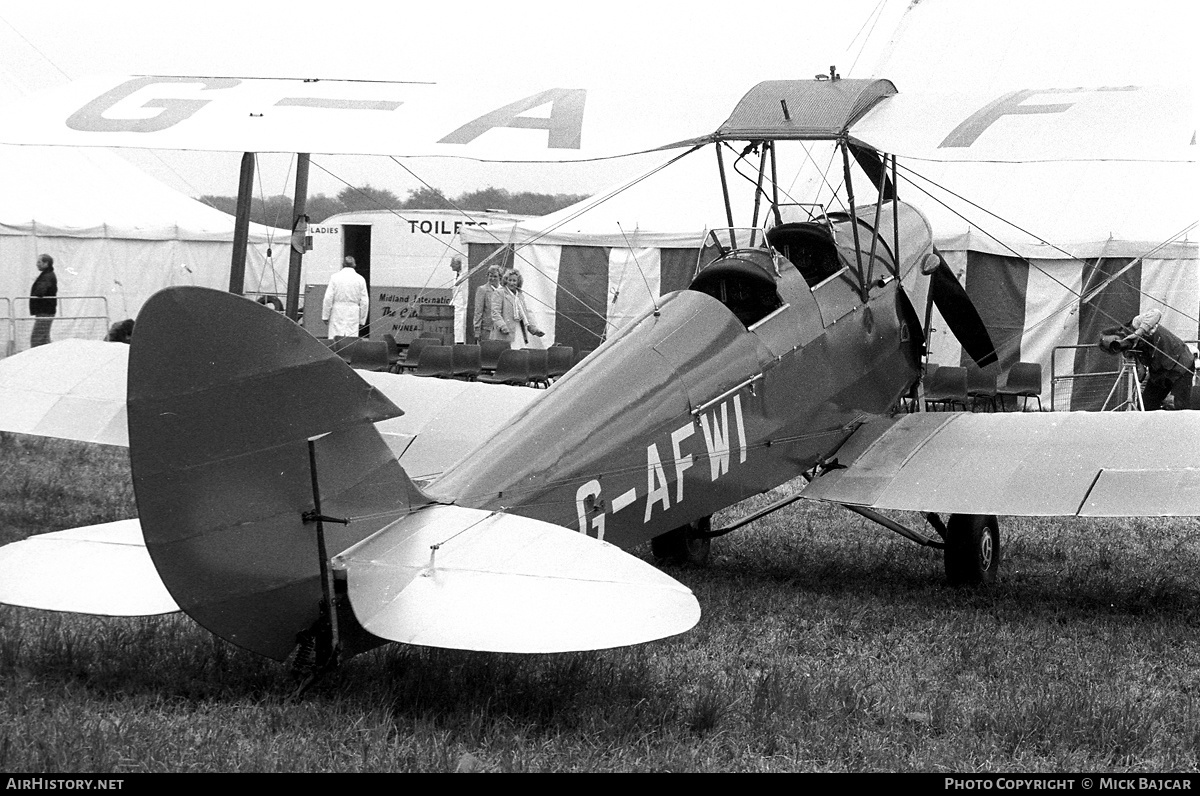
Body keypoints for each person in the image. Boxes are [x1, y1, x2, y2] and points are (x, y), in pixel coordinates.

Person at [1100, 308, 1195, 410]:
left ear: (1117, 332)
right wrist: (1134, 359)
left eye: (1115, 339)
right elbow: (1141, 373)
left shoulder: (1135, 323)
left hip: (1180, 363)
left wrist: (1139, 332)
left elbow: (1156, 313)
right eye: (1113, 345)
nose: (1118, 342)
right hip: (1160, 372)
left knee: (1180, 406)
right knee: (1146, 406)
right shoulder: (1129, 349)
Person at [491, 269, 544, 349]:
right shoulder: (499, 293)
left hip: (519, 330)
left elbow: (526, 313)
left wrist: (533, 328)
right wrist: (502, 326)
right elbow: (495, 312)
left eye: (514, 280)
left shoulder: (520, 296)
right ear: (506, 280)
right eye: (510, 280)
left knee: (519, 352)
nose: (512, 283)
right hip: (505, 332)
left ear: (518, 282)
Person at [322, 256, 369, 338]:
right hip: (353, 312)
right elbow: (364, 302)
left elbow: (328, 298)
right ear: (354, 265)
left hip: (337, 311)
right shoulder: (360, 279)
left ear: (342, 264)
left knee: (335, 337)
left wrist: (325, 315)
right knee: (351, 338)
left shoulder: (334, 277)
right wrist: (362, 320)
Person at [29, 253, 57, 348]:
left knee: (37, 338)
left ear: (46, 263)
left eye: (39, 262)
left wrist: (37, 286)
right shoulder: (47, 275)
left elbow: (40, 291)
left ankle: (35, 358)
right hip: (46, 310)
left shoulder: (46, 276)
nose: (37, 264)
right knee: (44, 338)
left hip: (45, 311)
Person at [473, 264, 503, 342]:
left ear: (500, 277)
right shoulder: (482, 290)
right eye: (490, 276)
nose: (492, 278)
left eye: (495, 276)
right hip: (487, 330)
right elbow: (478, 311)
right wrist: (477, 330)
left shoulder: (504, 290)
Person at [449, 256, 468, 344]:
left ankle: (460, 342)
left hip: (462, 304)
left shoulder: (465, 275)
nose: (450, 265)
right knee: (457, 326)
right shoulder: (456, 275)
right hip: (456, 304)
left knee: (461, 325)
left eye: (453, 263)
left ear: (459, 264)